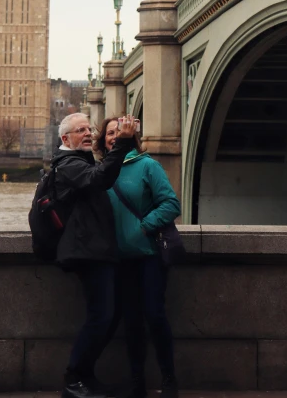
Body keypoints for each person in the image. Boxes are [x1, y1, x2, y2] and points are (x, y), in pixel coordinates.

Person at [52, 111, 137, 398]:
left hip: (98, 249)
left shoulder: (81, 161)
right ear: (65, 139)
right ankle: (73, 378)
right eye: (80, 130)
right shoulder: (67, 164)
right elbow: (98, 180)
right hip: (86, 251)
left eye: (89, 128)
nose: (88, 133)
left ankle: (85, 376)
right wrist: (123, 144)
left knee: (109, 316)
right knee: (101, 316)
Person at [96, 117, 181, 398]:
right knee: (131, 322)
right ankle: (137, 382)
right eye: (109, 133)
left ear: (129, 135)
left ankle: (169, 378)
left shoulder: (147, 166)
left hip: (148, 256)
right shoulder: (99, 172)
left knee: (155, 316)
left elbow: (171, 203)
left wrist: (144, 226)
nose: (113, 136)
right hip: (117, 261)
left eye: (118, 131)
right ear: (102, 140)